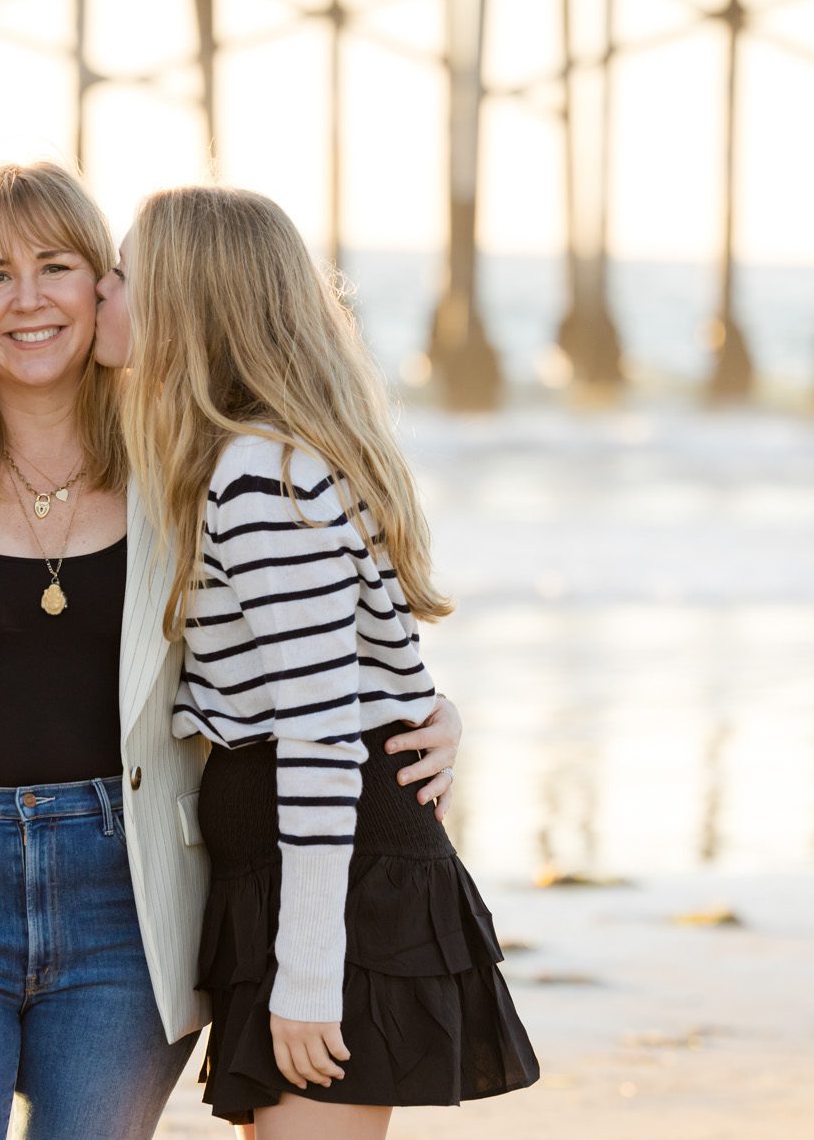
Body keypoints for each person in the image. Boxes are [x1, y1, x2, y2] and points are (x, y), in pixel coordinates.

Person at [0, 163, 466, 1140]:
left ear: (104, 285)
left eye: (60, 266)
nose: (31, 299)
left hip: (128, 894)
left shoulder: (180, 468)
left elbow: (313, 639)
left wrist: (420, 710)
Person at [114, 184, 540, 1138]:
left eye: (120, 277)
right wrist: (425, 702)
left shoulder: (261, 473)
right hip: (299, 858)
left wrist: (310, 965)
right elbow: (345, 664)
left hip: (326, 872)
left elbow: (316, 730)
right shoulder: (245, 456)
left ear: (183, 302)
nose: (100, 293)